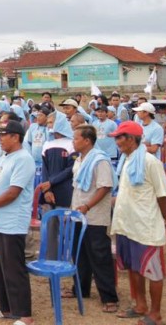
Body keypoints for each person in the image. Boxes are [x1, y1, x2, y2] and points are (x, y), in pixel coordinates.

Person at [110, 121, 166, 325]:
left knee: (153, 271)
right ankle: (140, 305)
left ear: (132, 139)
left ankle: (155, 313)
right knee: (134, 268)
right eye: (116, 138)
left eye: (120, 137)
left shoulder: (151, 162)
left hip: (146, 225)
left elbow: (162, 195)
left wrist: (165, 219)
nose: (117, 142)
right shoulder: (127, 161)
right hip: (127, 224)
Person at [0, 120, 35, 324]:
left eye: (3, 135)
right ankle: (5, 308)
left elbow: (13, 192)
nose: (0, 139)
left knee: (14, 268)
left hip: (12, 222)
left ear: (16, 136)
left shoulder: (24, 159)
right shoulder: (5, 157)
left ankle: (24, 314)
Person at [68, 124, 119, 312]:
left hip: (95, 216)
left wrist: (88, 206)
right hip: (78, 213)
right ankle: (80, 288)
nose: (73, 141)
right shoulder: (80, 159)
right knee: (79, 254)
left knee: (99, 255)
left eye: (76, 138)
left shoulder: (100, 161)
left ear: (87, 141)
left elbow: (105, 186)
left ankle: (109, 297)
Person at [39, 111, 77, 259]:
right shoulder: (47, 144)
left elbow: (70, 170)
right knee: (50, 227)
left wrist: (51, 182)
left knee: (67, 227)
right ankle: (51, 258)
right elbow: (45, 169)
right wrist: (46, 188)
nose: (49, 125)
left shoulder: (71, 144)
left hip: (65, 191)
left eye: (51, 122)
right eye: (48, 123)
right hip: (49, 191)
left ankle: (68, 257)